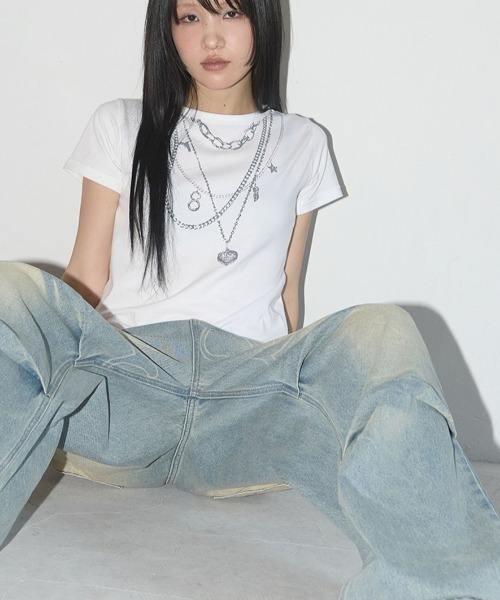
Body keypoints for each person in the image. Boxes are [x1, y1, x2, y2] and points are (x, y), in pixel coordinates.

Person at [1, 0, 499, 598]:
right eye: (190, 18)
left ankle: (439, 584)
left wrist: (293, 394)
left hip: (245, 410)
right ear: (167, 31)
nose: (211, 38)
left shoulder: (302, 141)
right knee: (10, 289)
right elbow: (86, 274)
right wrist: (48, 353)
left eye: (231, 14)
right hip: (124, 395)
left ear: (263, 23)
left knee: (385, 327)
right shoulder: (121, 123)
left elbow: (287, 288)